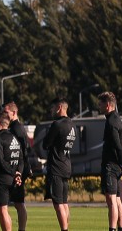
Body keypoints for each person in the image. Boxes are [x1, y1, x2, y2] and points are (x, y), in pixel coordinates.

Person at [42, 98, 74, 231]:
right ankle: (66, 228)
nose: (51, 110)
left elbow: (46, 144)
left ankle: (64, 229)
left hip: (56, 167)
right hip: (66, 165)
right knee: (64, 203)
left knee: (58, 203)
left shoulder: (57, 124)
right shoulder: (72, 124)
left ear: (60, 107)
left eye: (53, 107)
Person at [98, 92, 122, 231]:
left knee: (111, 202)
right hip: (118, 165)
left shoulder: (111, 122)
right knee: (117, 200)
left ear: (108, 105)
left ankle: (112, 229)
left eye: (100, 103)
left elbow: (118, 145)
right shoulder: (119, 120)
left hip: (111, 166)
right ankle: (121, 228)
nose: (99, 106)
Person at [0, 115, 22, 231]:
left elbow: (0, 160)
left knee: (2, 210)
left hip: (2, 178)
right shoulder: (14, 138)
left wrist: (13, 173)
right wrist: (18, 173)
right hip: (13, 179)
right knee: (6, 210)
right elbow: (21, 159)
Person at [1, 102, 29, 231]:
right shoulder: (13, 127)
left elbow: (23, 152)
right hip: (14, 169)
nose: (4, 114)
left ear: (14, 112)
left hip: (17, 170)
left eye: (6, 112)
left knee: (18, 203)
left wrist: (19, 171)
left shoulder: (17, 129)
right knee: (16, 203)